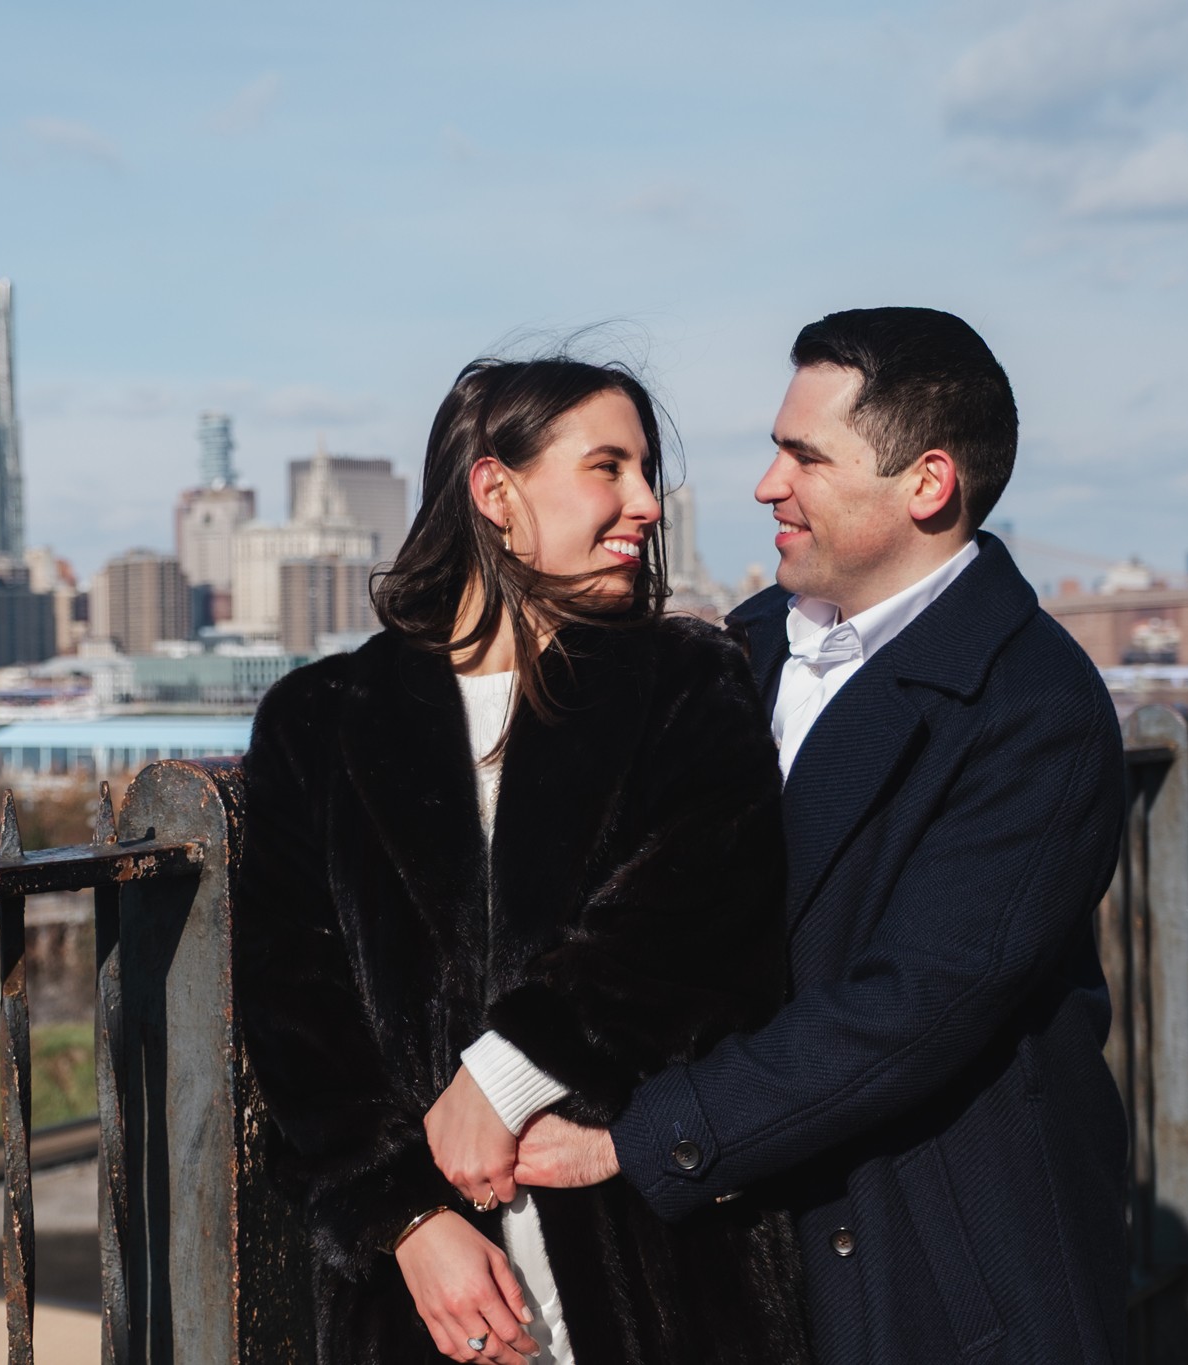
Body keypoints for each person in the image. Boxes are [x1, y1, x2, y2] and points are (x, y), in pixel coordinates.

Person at [515, 308, 1131, 1363]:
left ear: (926, 485)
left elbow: (914, 1007)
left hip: (935, 1261)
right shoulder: (733, 653)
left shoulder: (1036, 707)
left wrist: (641, 1138)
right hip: (735, 1251)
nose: (766, 484)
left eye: (803, 455)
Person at [234, 357, 811, 1365]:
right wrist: (406, 1223)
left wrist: (500, 1081)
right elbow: (296, 1016)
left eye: (645, 470)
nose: (643, 502)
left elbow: (695, 922)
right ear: (494, 491)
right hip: (424, 1309)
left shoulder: (684, 682)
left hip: (666, 1278)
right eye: (607, 468)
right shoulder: (317, 724)